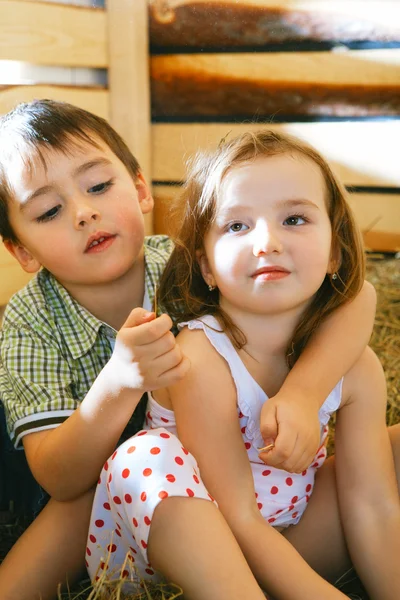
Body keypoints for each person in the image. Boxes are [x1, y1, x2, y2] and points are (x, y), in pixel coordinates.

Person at [0, 100, 375, 600]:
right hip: (114, 495)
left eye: (98, 186)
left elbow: (357, 295)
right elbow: (57, 476)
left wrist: (305, 394)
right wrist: (118, 382)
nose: (84, 212)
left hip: (249, 488)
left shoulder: (188, 261)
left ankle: (263, 571)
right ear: (22, 251)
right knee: (113, 475)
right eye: (49, 211)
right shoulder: (29, 321)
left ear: (139, 190)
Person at [86, 130, 400, 600]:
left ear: (335, 251)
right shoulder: (201, 355)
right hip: (173, 557)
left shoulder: (354, 366)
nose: (267, 241)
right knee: (145, 456)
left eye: (294, 218)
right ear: (207, 267)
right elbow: (237, 515)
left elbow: (371, 505)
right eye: (237, 226)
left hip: (289, 536)